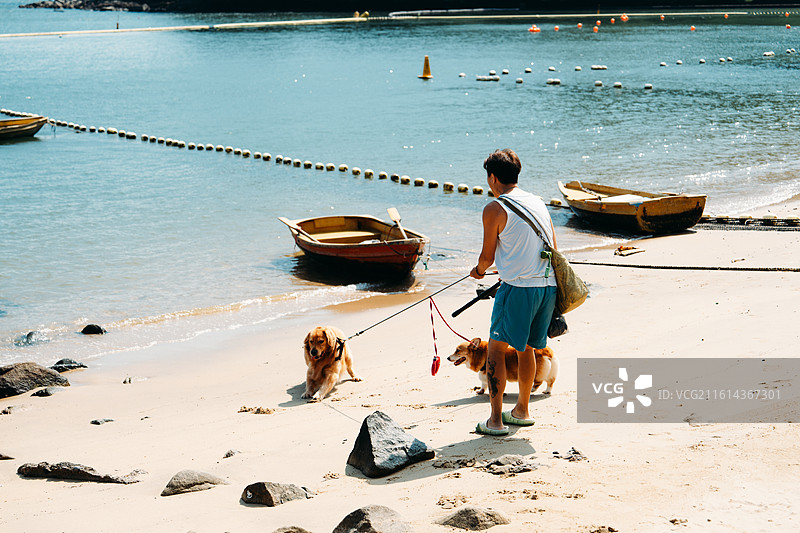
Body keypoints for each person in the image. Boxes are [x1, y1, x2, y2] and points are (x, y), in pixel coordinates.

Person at [470, 149, 557, 436]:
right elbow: (553, 248)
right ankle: (522, 410)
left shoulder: (494, 208)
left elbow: (487, 258)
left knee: (495, 349)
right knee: (527, 348)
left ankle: (495, 420)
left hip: (518, 289)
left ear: (493, 177)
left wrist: (479, 271)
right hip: (546, 287)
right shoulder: (538, 202)